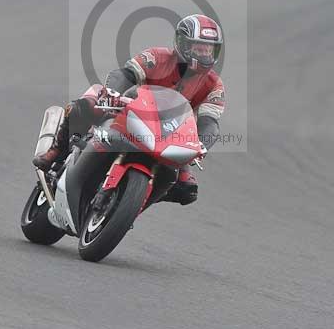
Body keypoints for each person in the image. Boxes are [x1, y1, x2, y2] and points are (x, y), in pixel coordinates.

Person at [34, 14, 226, 206]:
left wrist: (201, 144)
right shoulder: (157, 57)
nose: (205, 55)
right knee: (86, 106)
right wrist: (112, 92)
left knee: (187, 190)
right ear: (183, 44)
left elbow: (209, 121)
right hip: (130, 110)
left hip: (169, 133)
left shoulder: (213, 84)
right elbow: (125, 74)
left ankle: (133, 202)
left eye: (210, 50)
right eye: (199, 48)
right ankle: (56, 152)